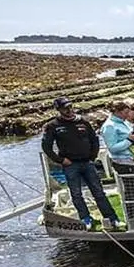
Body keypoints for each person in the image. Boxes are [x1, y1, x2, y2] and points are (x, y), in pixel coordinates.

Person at [41, 97, 121, 231]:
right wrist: (61, 160)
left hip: (87, 162)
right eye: (65, 108)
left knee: (98, 191)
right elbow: (46, 147)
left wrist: (93, 157)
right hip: (70, 164)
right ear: (59, 110)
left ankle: (112, 218)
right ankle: (85, 218)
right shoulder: (53, 126)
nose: (69, 110)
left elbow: (94, 140)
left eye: (70, 107)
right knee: (76, 193)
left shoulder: (83, 121)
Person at [100, 98, 134, 224]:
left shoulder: (124, 123)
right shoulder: (109, 126)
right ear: (117, 111)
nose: (128, 115)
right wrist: (129, 140)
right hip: (124, 163)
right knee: (132, 192)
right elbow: (113, 148)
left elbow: (132, 136)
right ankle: (133, 218)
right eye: (125, 112)